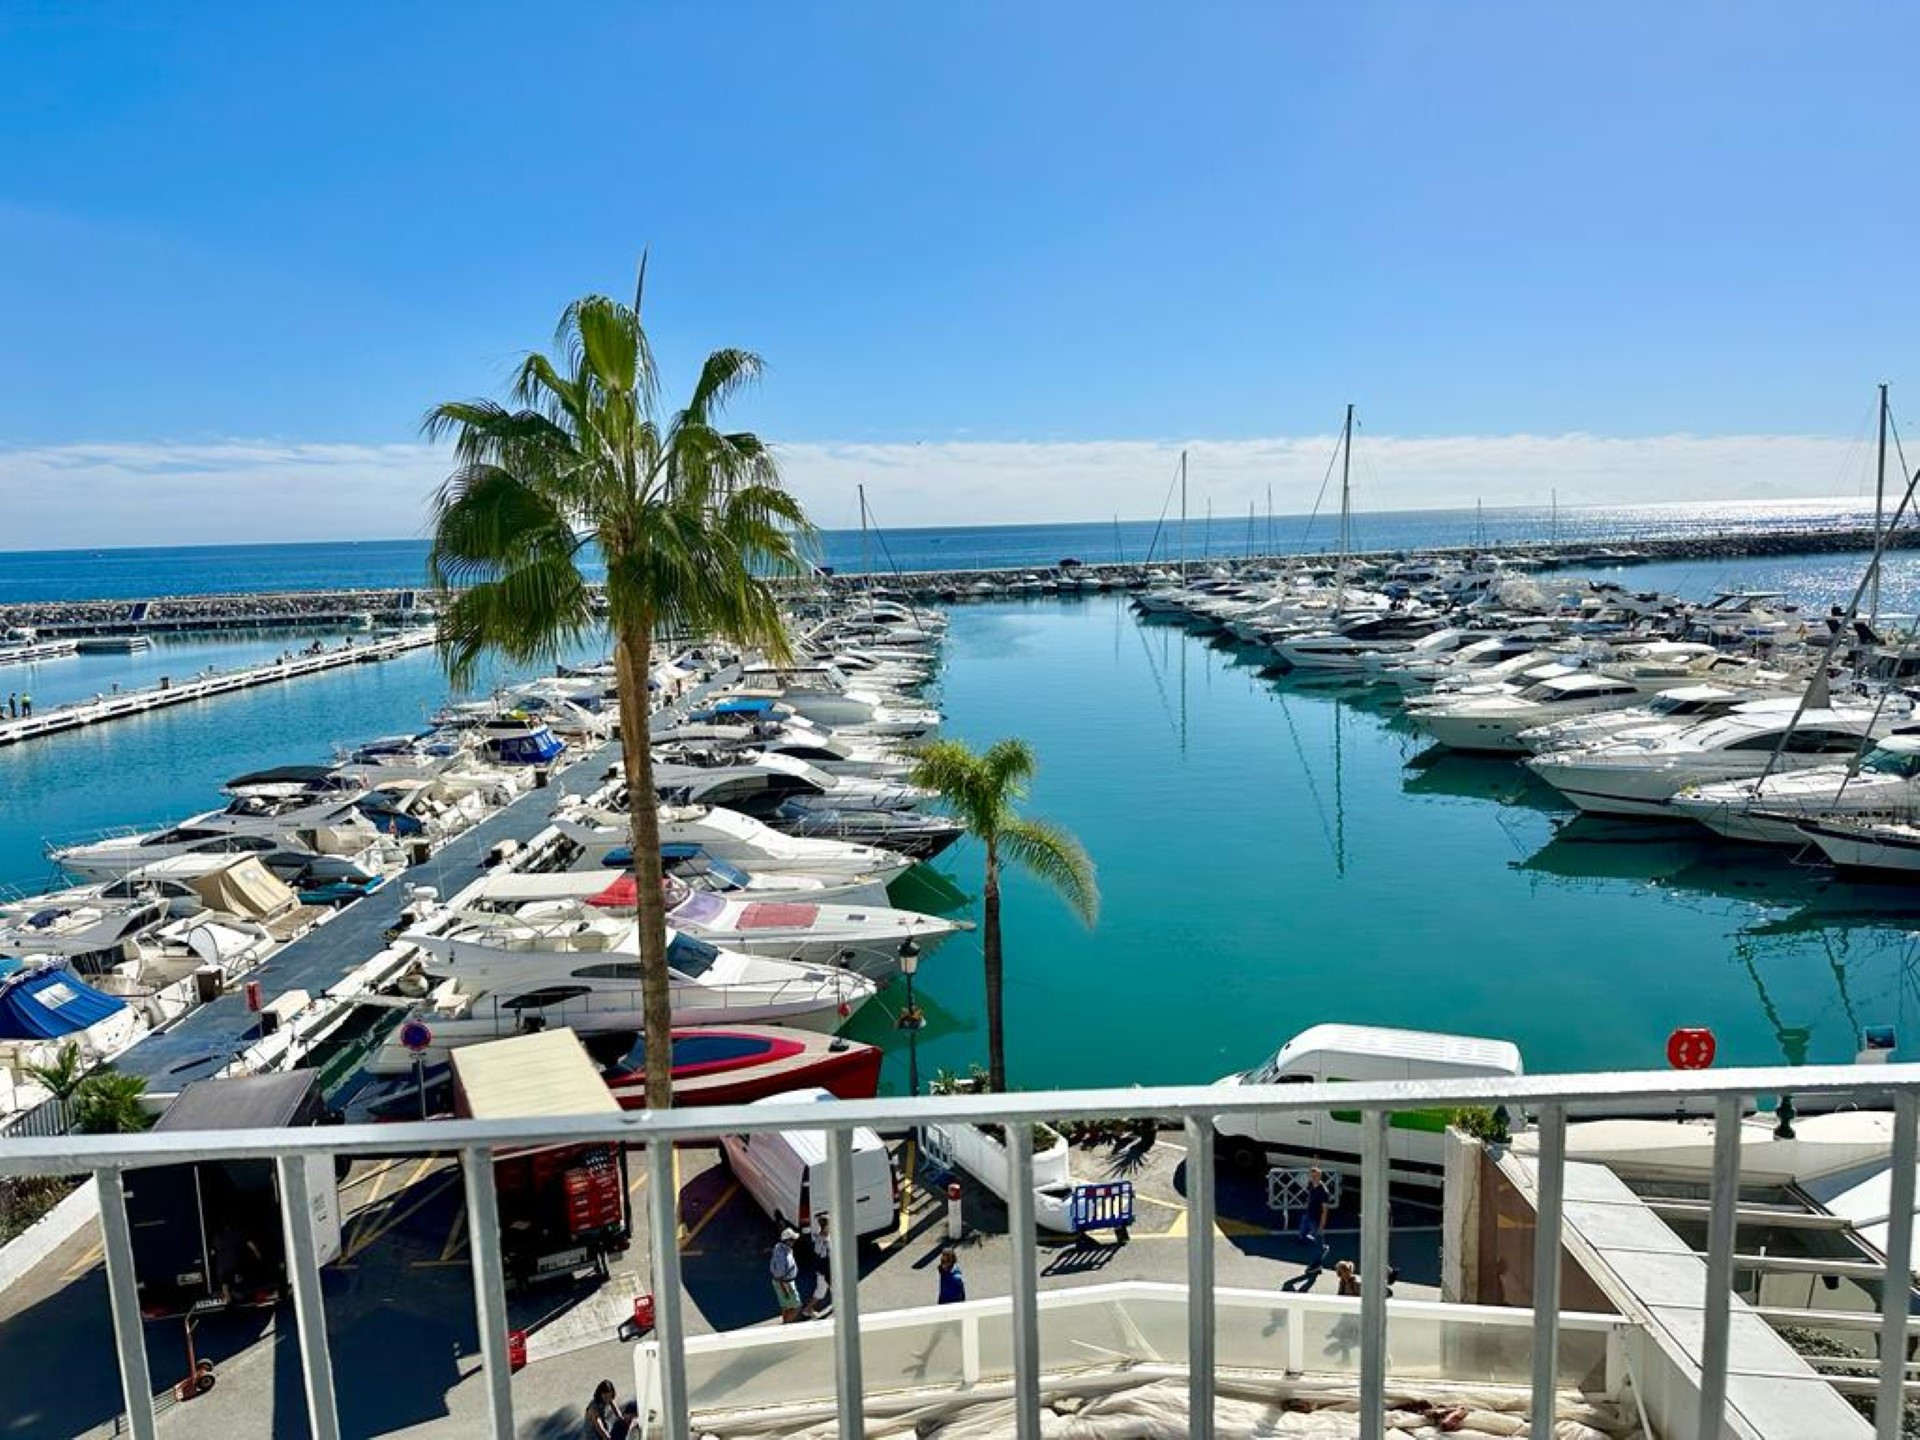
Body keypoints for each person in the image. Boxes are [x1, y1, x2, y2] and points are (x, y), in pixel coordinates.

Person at [1299, 1166, 1331, 1266]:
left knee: (1317, 1244)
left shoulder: (1324, 1192)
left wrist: (1321, 1226)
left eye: (1315, 1176)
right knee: (1302, 1236)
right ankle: (1322, 1247)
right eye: (1311, 1176)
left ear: (1320, 1177)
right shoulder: (1311, 1185)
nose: (1313, 1178)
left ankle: (1316, 1264)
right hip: (1307, 1215)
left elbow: (1325, 1211)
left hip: (1316, 1219)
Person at [770, 1227, 803, 1323]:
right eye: (792, 1239)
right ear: (787, 1240)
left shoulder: (780, 1248)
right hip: (786, 1283)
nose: (794, 1241)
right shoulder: (782, 1254)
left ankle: (785, 1320)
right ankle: (786, 1325)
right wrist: (785, 1285)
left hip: (781, 1282)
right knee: (797, 1306)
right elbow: (780, 1271)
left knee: (785, 1305)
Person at [803, 1212, 832, 1317]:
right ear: (826, 1226)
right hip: (825, 1271)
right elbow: (823, 1257)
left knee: (829, 1288)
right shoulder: (824, 1240)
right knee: (820, 1292)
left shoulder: (823, 1234)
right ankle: (807, 1309)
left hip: (824, 1270)